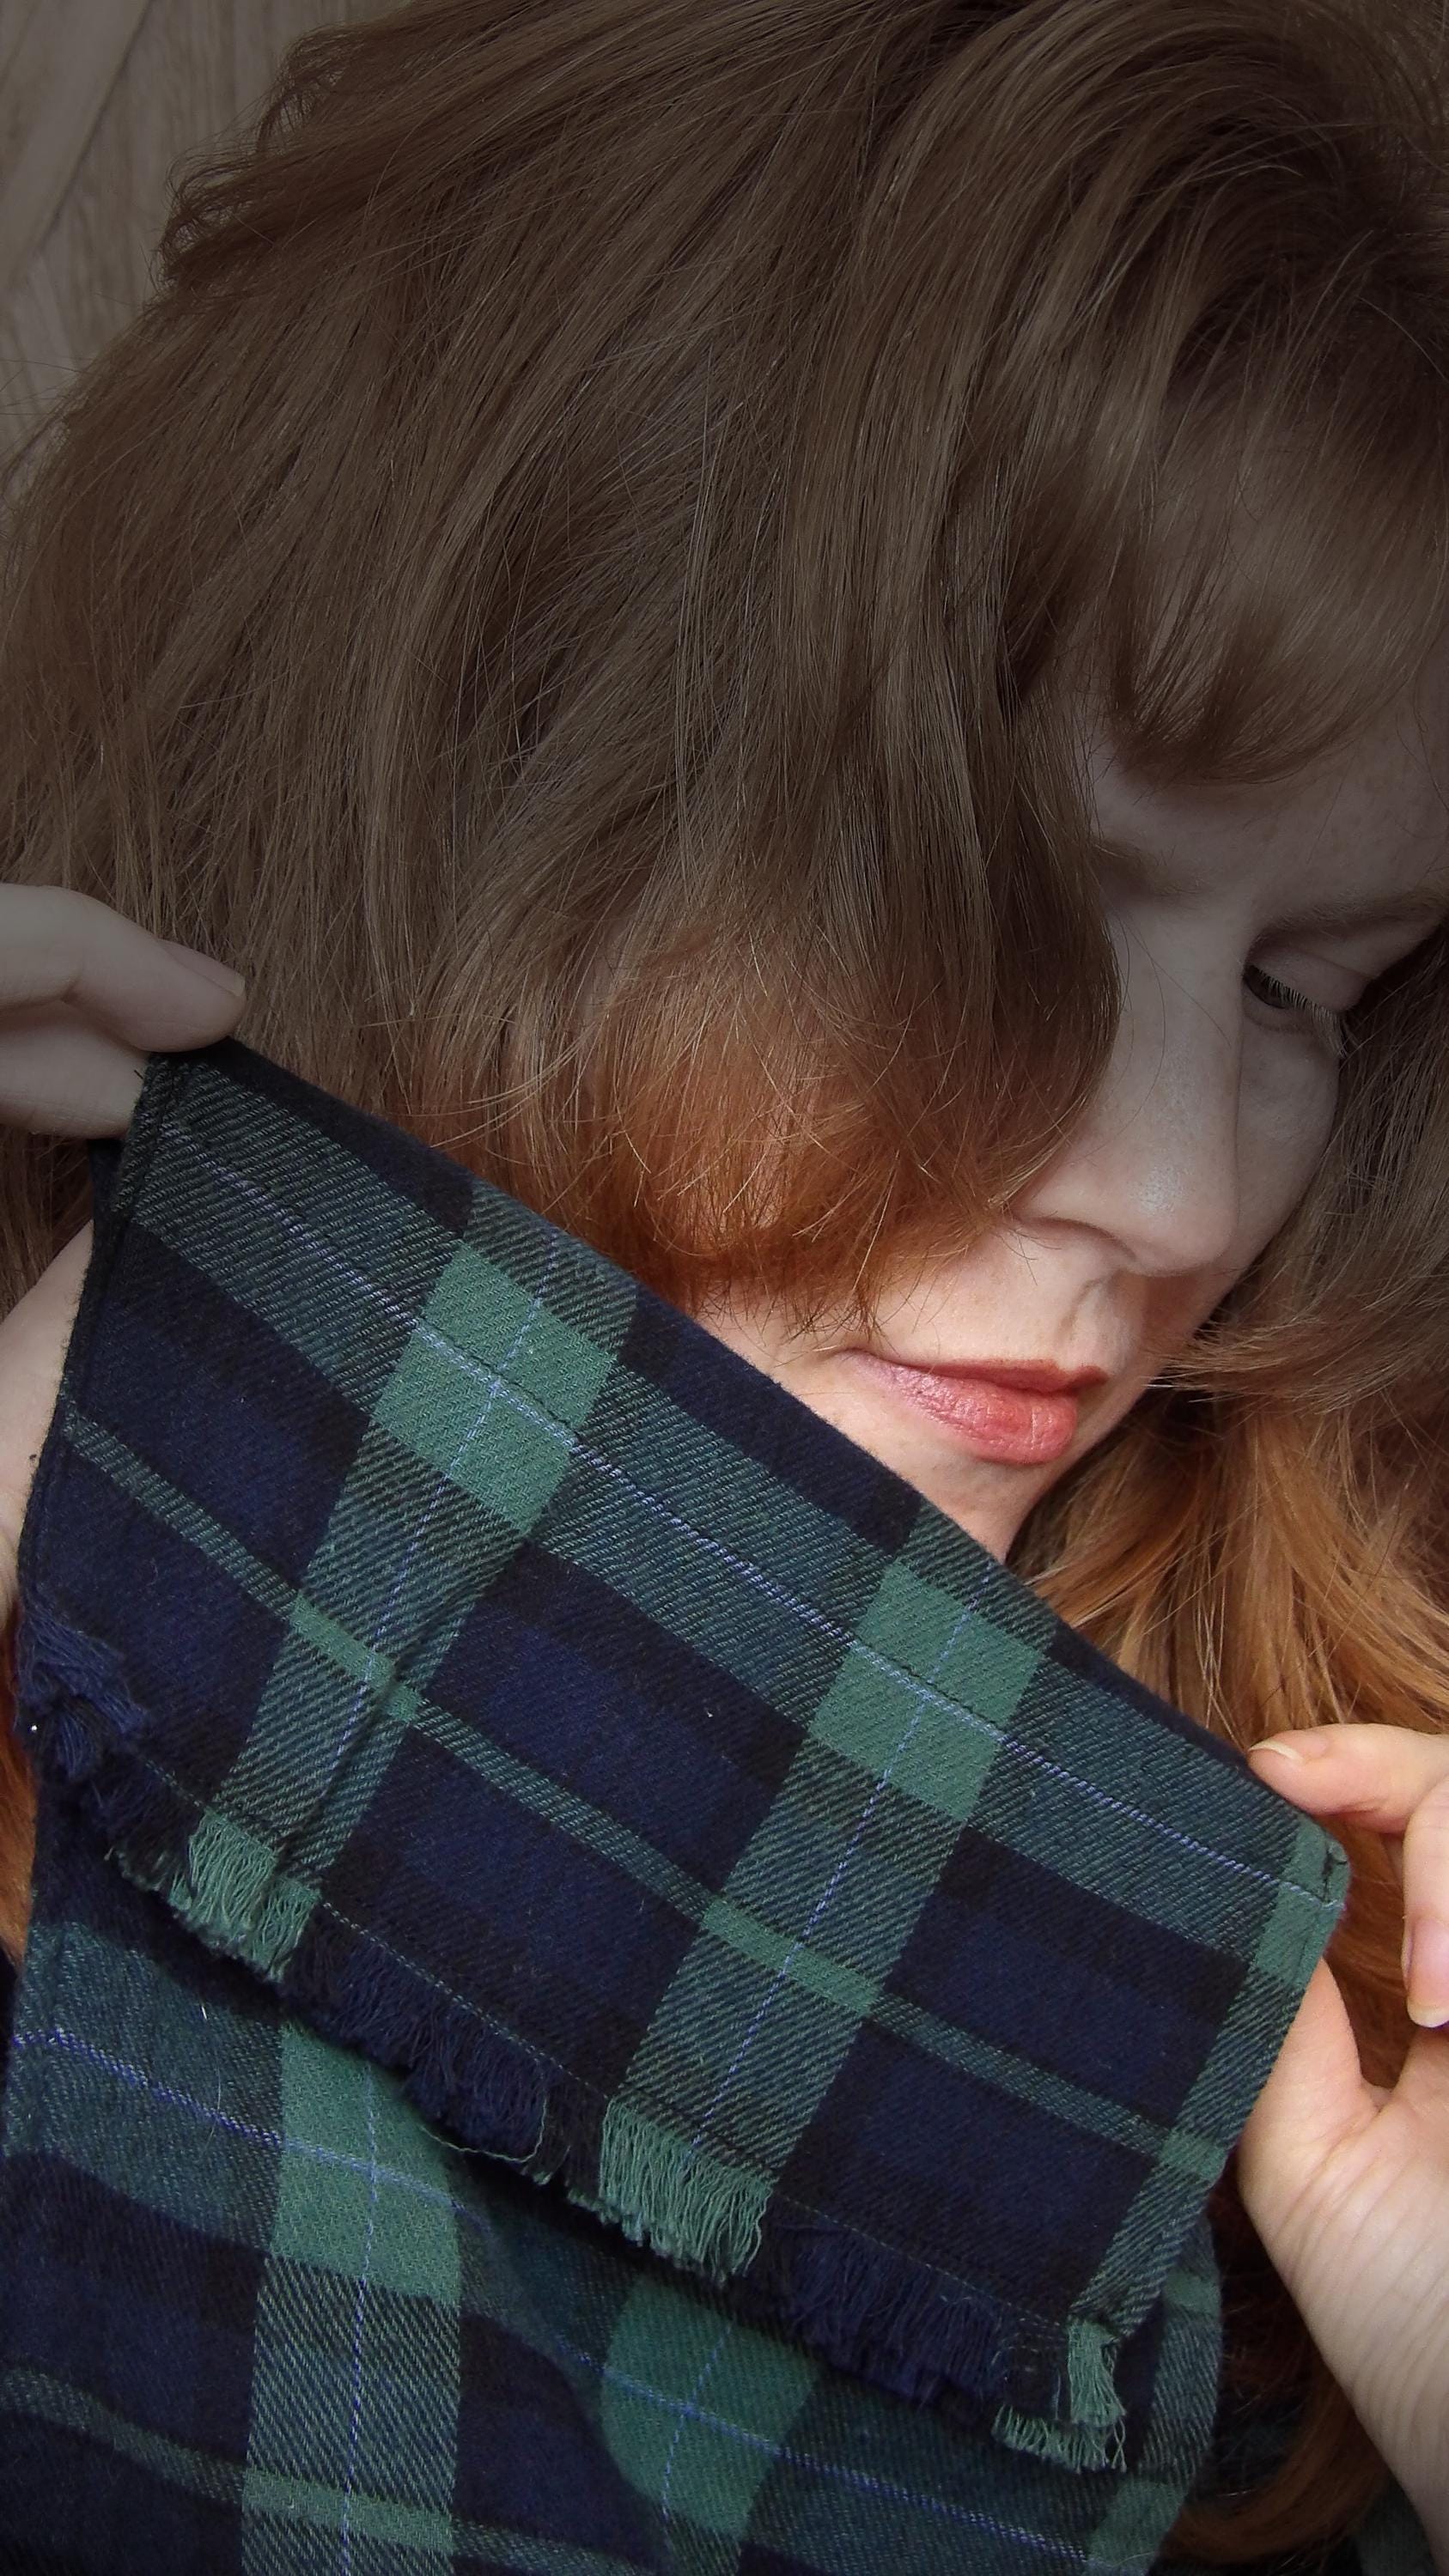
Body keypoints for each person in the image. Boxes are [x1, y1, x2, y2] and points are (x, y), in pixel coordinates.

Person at [2, 0, 1449, 2566]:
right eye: (990, 909)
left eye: (1294, 987)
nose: (1165, 1187)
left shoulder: (1347, 1960)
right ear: (475, 765)